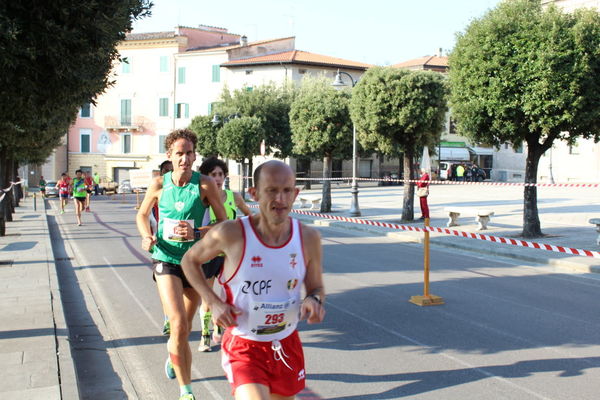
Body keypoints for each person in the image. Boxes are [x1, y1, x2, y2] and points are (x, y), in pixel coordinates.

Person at [181, 160, 326, 400]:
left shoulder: (309, 237)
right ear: (254, 193)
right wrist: (214, 302)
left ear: (295, 194)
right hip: (245, 345)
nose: (280, 199)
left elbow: (316, 287)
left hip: (286, 343)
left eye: (287, 190)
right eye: (271, 190)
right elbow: (189, 260)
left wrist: (314, 301)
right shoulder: (231, 232)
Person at [136, 129, 226, 400]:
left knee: (184, 328)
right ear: (169, 156)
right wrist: (146, 236)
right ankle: (186, 391)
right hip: (166, 259)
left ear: (195, 155)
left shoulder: (205, 184)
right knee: (176, 323)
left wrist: (198, 232)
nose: (184, 158)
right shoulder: (158, 184)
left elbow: (224, 223)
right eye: (179, 153)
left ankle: (173, 354)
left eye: (189, 153)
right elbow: (142, 215)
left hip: (194, 262)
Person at [197, 156, 252, 352]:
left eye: (221, 174)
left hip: (230, 253)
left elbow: (249, 215)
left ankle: (219, 327)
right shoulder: (202, 198)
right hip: (209, 252)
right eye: (213, 175)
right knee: (208, 295)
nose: (218, 178)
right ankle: (205, 335)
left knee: (227, 294)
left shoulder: (233, 196)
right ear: (206, 177)